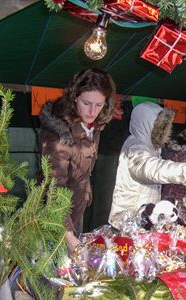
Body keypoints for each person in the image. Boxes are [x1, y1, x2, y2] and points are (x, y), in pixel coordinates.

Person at [38, 68, 116, 254]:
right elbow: (53, 187)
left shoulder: (92, 128)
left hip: (75, 211)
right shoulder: (58, 135)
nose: (92, 111)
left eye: (99, 105)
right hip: (54, 221)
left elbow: (82, 172)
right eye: (86, 103)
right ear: (74, 98)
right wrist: (68, 235)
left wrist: (85, 192)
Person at [108, 102, 186, 229]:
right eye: (159, 126)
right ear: (147, 125)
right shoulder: (136, 146)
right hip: (127, 220)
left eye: (165, 127)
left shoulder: (153, 148)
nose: (162, 131)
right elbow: (151, 168)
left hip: (144, 218)